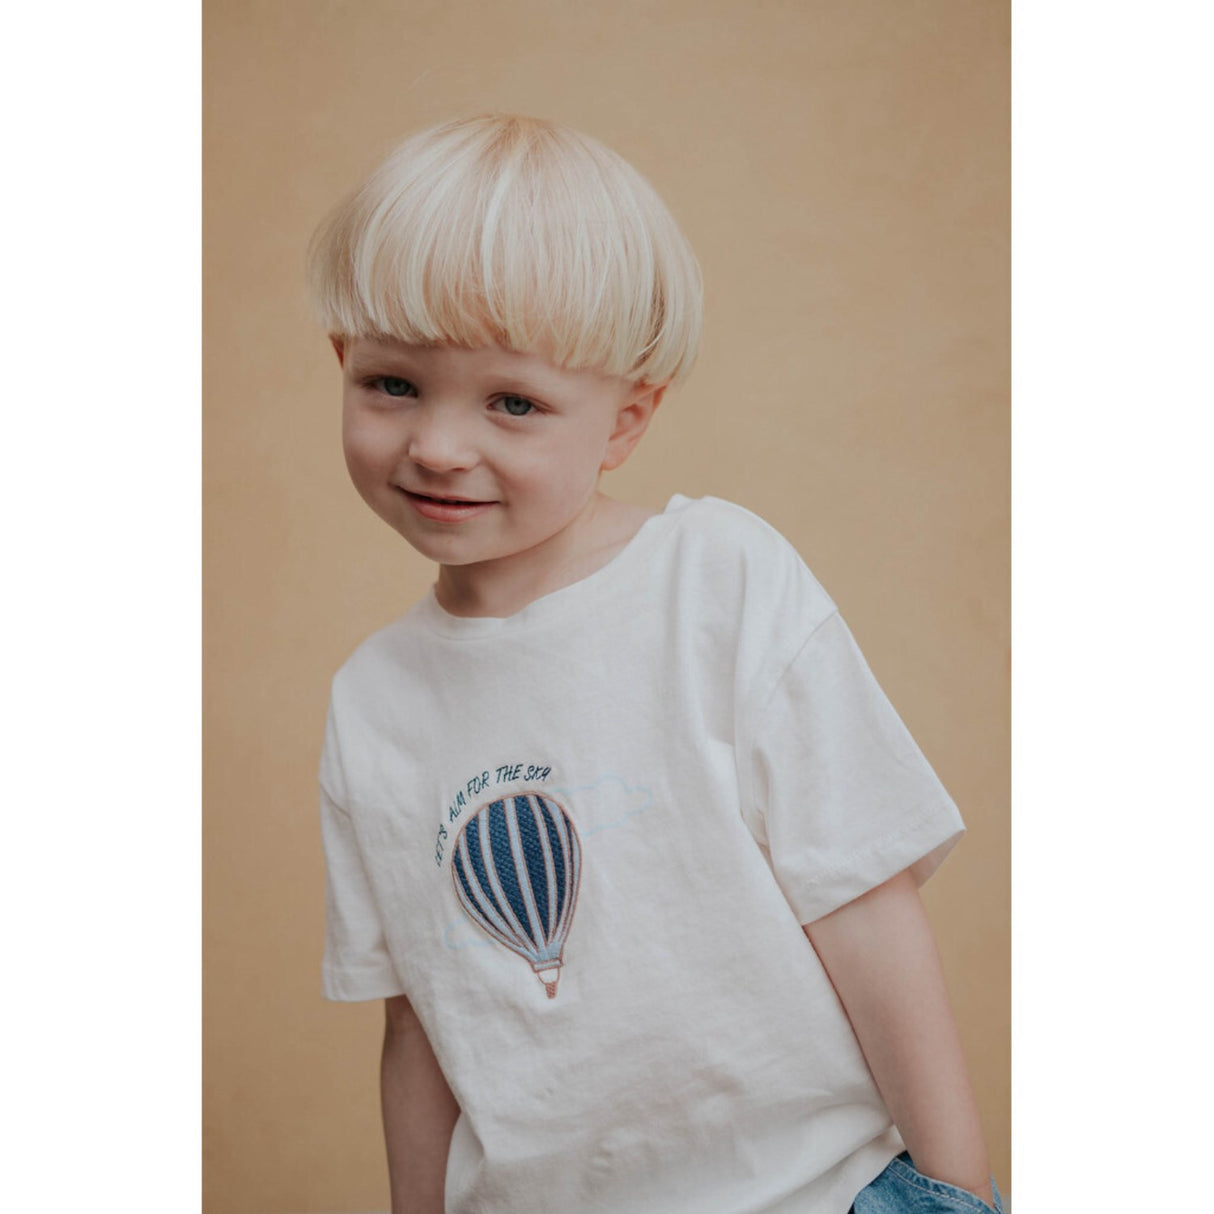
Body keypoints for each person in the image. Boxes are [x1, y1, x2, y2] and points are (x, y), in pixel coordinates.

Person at [308, 114, 1003, 1214]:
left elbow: (862, 900)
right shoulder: (370, 702)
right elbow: (420, 1022)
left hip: (814, 1191)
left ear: (625, 423)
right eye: (394, 383)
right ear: (343, 362)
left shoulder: (716, 581)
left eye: (513, 402)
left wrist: (954, 1190)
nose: (437, 446)